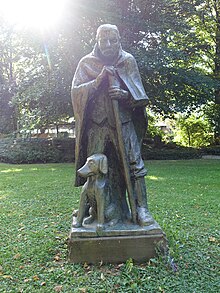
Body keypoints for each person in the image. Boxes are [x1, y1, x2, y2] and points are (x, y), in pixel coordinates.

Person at [71, 24, 154, 226]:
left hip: (123, 123)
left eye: (113, 40)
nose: (108, 44)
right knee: (94, 168)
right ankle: (95, 208)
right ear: (97, 41)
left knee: (135, 166)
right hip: (96, 126)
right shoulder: (86, 63)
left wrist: (126, 96)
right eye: (103, 40)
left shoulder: (127, 61)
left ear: (119, 40)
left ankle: (141, 209)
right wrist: (97, 81)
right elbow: (75, 92)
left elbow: (141, 97)